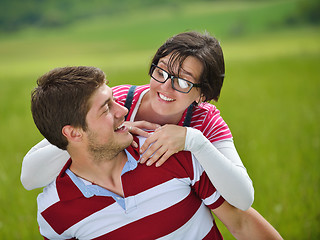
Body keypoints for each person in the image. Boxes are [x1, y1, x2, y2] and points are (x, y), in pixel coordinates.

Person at [31, 66, 282, 239]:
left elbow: (242, 223)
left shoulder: (169, 153)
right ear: (73, 133)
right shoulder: (52, 211)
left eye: (114, 100)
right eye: (106, 108)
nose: (122, 111)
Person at [21, 31, 254, 211]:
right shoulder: (120, 102)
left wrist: (193, 141)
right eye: (161, 72)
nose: (165, 87)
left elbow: (243, 199)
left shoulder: (205, 121)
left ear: (203, 94)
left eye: (183, 82)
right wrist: (110, 130)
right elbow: (30, 176)